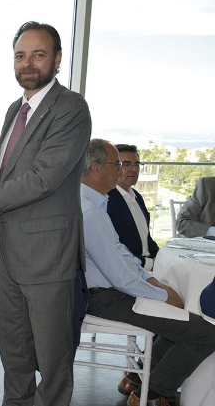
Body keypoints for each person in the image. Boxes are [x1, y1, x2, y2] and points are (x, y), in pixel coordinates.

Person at [0, 21, 92, 406]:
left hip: (48, 258)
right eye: (20, 55)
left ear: (57, 59)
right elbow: (17, 172)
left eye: (38, 54)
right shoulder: (17, 108)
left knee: (53, 364)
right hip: (11, 254)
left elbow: (44, 178)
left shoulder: (70, 108)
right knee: (14, 358)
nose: (27, 63)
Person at [80, 138, 215, 406]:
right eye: (116, 164)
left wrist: (153, 281)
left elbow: (120, 253)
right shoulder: (89, 210)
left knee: (182, 318)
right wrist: (161, 295)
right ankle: (154, 392)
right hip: (103, 297)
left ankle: (143, 381)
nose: (120, 170)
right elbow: (118, 275)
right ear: (96, 169)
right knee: (205, 333)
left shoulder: (94, 202)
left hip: (108, 291)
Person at [106, 144, 159, 269]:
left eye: (136, 164)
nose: (133, 169)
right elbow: (113, 247)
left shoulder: (137, 197)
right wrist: (150, 264)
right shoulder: (108, 200)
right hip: (130, 269)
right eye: (126, 164)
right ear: (115, 168)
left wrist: (160, 257)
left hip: (149, 265)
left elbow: (146, 239)